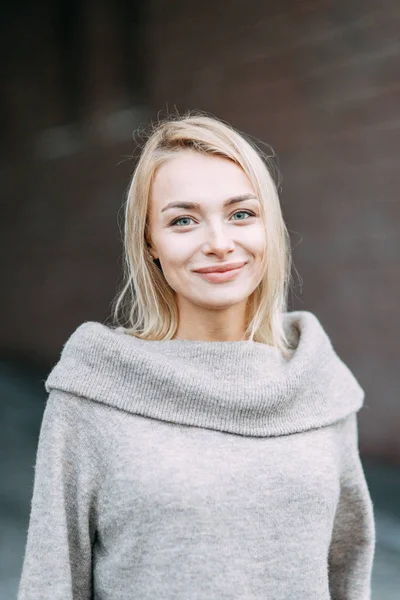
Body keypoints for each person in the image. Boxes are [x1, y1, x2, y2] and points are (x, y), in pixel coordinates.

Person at [18, 113, 375, 600]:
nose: (219, 243)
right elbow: (51, 582)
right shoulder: (94, 392)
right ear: (151, 245)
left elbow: (348, 577)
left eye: (241, 214)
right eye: (183, 220)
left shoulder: (317, 386)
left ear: (270, 227)